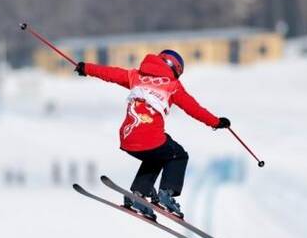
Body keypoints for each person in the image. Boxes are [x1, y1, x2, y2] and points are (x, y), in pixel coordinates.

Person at [74, 49, 230, 220]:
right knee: (178, 155)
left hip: (127, 138)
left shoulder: (136, 76)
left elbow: (111, 73)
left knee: (157, 155)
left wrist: (86, 68)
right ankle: (166, 195)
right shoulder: (172, 85)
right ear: (176, 69)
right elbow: (194, 109)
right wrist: (216, 122)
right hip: (149, 138)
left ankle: (138, 194)